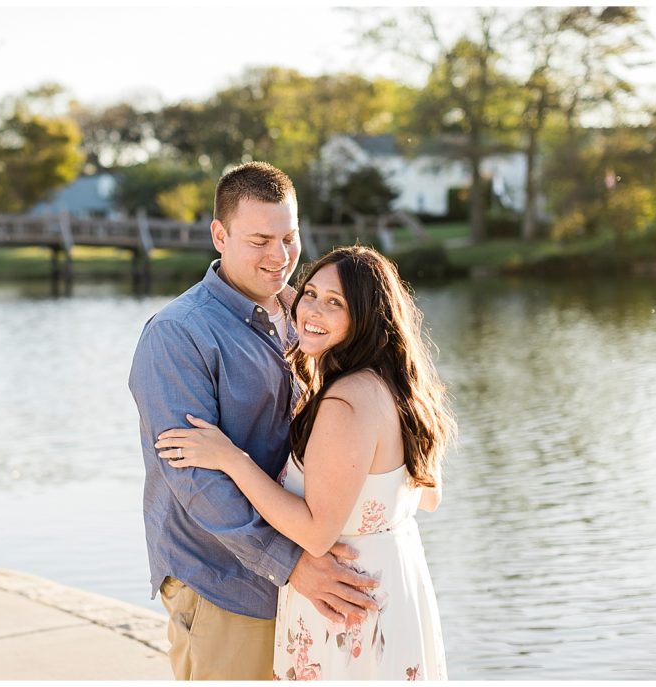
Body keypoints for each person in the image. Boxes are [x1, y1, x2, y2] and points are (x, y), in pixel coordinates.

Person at [155, 245, 455, 680]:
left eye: (336, 303)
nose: (312, 309)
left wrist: (232, 459)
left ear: (367, 317)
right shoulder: (397, 390)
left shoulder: (345, 404)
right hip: (395, 584)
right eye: (309, 293)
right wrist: (300, 307)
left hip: (344, 603)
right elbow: (429, 497)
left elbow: (316, 534)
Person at [128, 163, 379, 681]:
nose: (280, 257)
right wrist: (291, 563)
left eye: (289, 237)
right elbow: (193, 480)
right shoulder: (178, 335)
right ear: (219, 235)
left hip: (312, 577)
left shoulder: (306, 313)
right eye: (260, 240)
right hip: (227, 583)